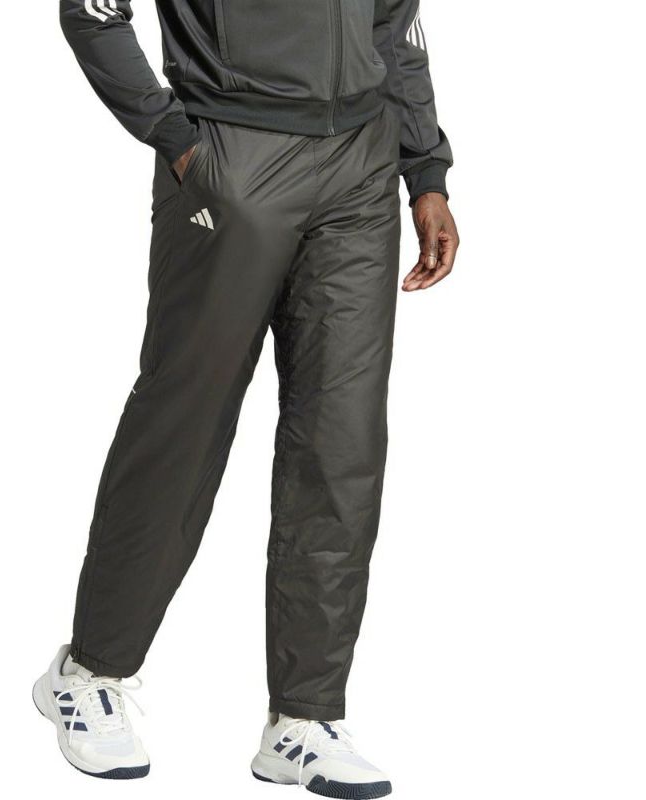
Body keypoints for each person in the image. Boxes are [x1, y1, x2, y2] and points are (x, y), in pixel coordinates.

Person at [33, 2, 459, 795]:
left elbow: (393, 24)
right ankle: (89, 671)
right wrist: (178, 142)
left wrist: (425, 170)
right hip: (232, 154)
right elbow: (93, 13)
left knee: (342, 443)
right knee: (185, 424)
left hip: (362, 167)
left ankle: (304, 717)